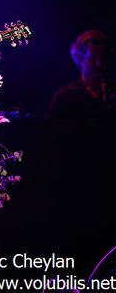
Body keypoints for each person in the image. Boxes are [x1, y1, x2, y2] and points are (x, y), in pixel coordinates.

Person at [46, 30, 116, 274]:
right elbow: (55, 149)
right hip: (79, 190)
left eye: (102, 58)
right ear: (79, 59)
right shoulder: (65, 99)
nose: (98, 64)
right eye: (92, 58)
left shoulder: (113, 95)